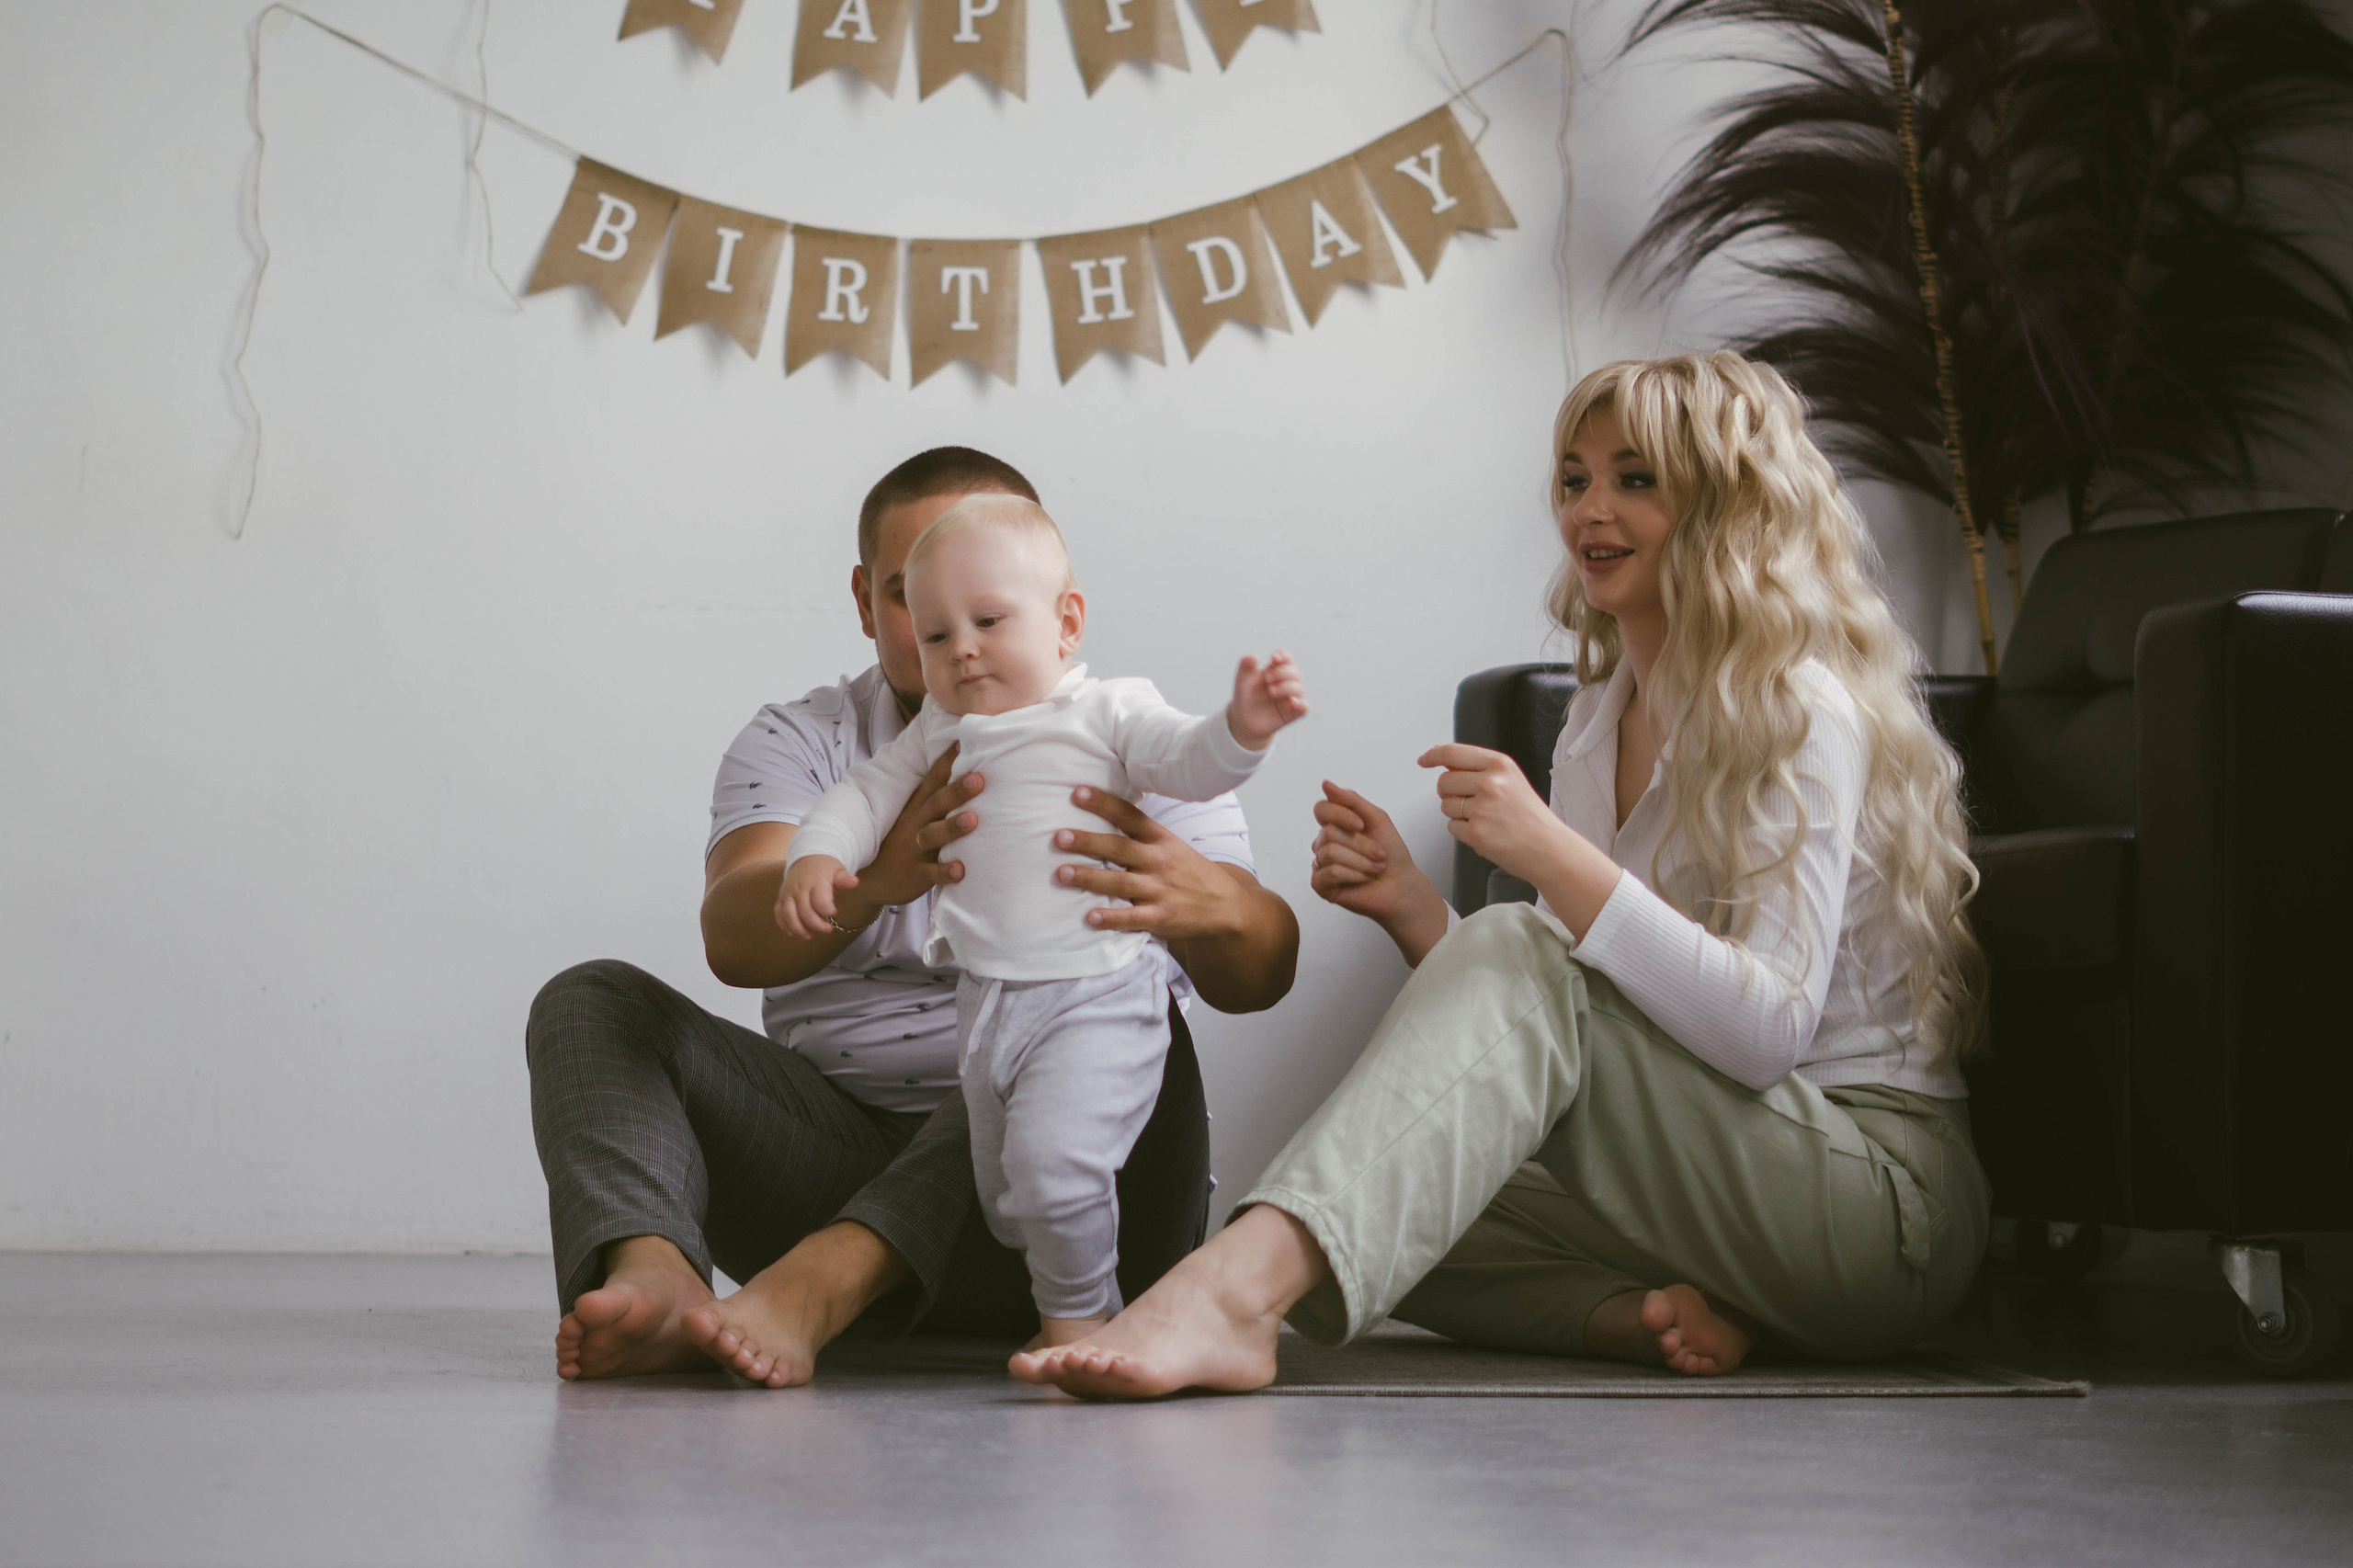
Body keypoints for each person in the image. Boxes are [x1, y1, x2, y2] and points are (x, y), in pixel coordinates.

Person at [1011, 351, 1993, 1398]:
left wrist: (1549, 856)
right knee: (1377, 1206)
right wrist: (1415, 908)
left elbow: (1765, 1036)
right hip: (1719, 1178)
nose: (1590, 512)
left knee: (1364, 1186)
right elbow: (1546, 1033)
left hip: (1878, 1206)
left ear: (1724, 505)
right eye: (1574, 479)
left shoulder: (1799, 710)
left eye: (1635, 478)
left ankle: (1226, 1302)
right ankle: (1638, 1317)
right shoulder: (1594, 722)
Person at [527, 447, 1300, 1387]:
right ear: (865, 601)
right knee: (592, 1000)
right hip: (836, 1157)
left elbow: (1261, 975)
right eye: (914, 597)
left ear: (1058, 608)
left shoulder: (1120, 729)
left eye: (988, 600)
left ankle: (821, 1284)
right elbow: (733, 939)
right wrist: (877, 877)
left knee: (1090, 1021)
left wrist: (1213, 906)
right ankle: (658, 1273)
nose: (958, 634)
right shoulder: (810, 740)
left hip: (1094, 1192)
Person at [772, 494, 1309, 1355]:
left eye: (988, 620)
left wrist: (1243, 726)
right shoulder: (946, 730)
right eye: (938, 635)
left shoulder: (1109, 711)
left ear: (1067, 623)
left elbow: (1191, 759)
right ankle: (1052, 1289)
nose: (964, 650)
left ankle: (1079, 1323)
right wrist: (819, 857)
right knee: (1009, 1198)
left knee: (1056, 1173)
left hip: (1097, 989)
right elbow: (863, 794)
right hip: (987, 1006)